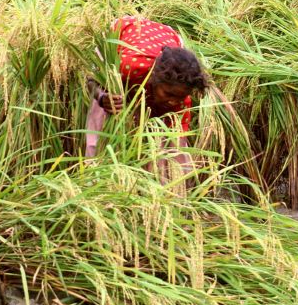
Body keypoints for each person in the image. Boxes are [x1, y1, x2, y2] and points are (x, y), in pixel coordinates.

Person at [85, 16, 209, 181]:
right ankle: (95, 178)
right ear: (154, 79)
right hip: (123, 34)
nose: (173, 101)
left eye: (180, 97)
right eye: (168, 94)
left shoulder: (181, 101)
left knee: (172, 151)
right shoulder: (128, 67)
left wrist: (177, 179)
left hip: (168, 38)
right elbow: (90, 79)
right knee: (105, 117)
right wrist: (102, 97)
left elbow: (177, 147)